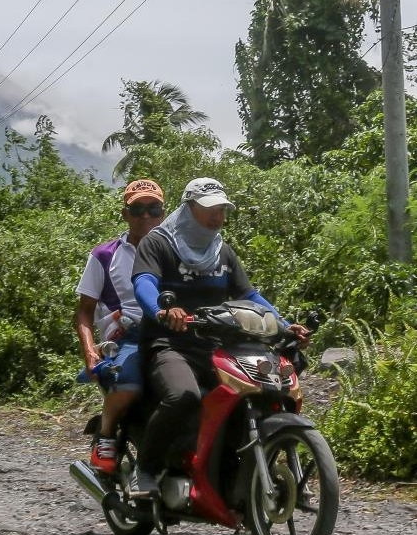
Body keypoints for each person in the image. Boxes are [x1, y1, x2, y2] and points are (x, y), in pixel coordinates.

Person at [129, 177, 309, 496]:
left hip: (216, 346)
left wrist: (284, 323)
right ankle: (145, 469)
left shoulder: (222, 252)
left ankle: (230, 476)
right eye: (211, 209)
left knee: (254, 395)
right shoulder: (157, 243)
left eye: (222, 210)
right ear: (189, 209)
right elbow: (144, 282)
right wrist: (162, 310)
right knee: (184, 396)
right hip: (169, 343)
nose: (218, 217)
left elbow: (249, 295)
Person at [74, 179, 166, 474]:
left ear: (163, 213)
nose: (146, 216)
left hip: (172, 332)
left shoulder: (176, 251)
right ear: (125, 214)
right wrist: (90, 353)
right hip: (128, 335)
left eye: (153, 209)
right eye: (137, 209)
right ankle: (106, 434)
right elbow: (84, 312)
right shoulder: (104, 255)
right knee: (129, 384)